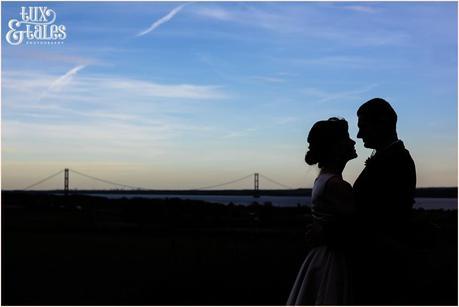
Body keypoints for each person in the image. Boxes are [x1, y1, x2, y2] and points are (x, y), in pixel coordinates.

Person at [352, 98, 417, 304]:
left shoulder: (396, 161)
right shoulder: (387, 158)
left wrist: (328, 233)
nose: (359, 135)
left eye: (363, 127)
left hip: (380, 266)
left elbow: (373, 220)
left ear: (382, 123)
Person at [287, 117, 357, 306]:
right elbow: (360, 227)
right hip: (334, 262)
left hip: (320, 257)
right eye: (347, 138)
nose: (353, 141)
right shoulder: (337, 185)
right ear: (335, 147)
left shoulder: (322, 180)